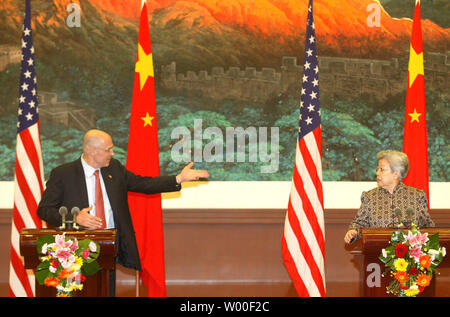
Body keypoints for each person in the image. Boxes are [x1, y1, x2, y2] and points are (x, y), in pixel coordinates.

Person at [36, 129, 209, 295]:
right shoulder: (63, 174)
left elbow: (144, 184)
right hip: (76, 252)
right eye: (108, 150)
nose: (112, 154)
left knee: (106, 291)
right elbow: (44, 210)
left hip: (109, 245)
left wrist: (178, 178)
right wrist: (75, 218)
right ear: (91, 150)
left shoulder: (114, 169)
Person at [344, 150, 434, 244]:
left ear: (396, 173)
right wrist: (353, 232)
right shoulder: (369, 197)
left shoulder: (417, 196)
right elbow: (358, 224)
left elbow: (428, 227)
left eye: (382, 169)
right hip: (377, 253)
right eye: (377, 169)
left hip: (409, 255)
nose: (377, 173)